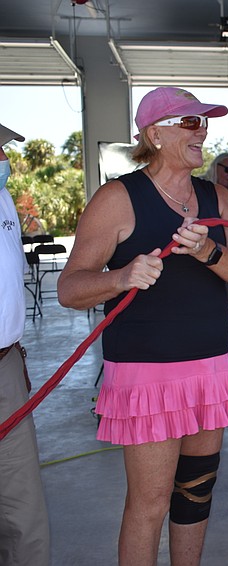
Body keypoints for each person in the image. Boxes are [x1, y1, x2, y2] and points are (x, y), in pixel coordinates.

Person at [57, 87, 228, 565]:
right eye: (189, 122)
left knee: (196, 493)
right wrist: (122, 276)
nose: (203, 130)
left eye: (204, 121)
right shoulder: (118, 198)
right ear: (155, 133)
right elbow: (70, 287)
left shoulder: (218, 198)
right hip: (146, 376)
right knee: (149, 504)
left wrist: (208, 251)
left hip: (209, 370)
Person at [0, 122, 50, 566]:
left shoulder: (4, 201)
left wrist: (13, 351)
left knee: (21, 506)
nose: (3, 159)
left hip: (5, 366)